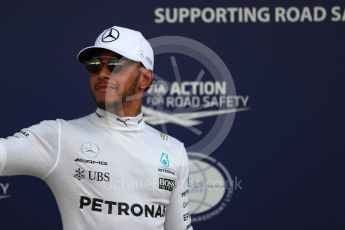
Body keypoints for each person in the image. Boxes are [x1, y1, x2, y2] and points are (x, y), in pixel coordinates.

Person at [0, 26, 193, 230]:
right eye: (94, 66)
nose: (102, 73)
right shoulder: (58, 136)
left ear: (145, 78)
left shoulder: (174, 150)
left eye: (114, 65)